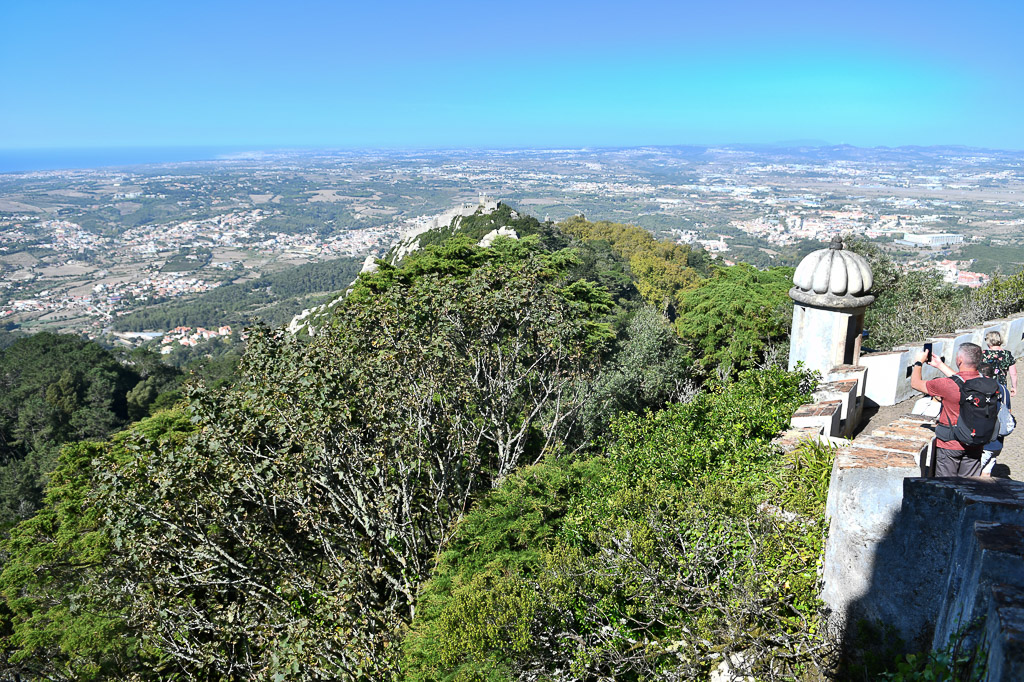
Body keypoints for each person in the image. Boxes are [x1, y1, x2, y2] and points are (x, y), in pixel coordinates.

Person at [910, 342, 990, 477]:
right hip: (975, 443)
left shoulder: (947, 385)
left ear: (959, 360)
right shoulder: (987, 382)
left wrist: (918, 362)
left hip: (949, 444)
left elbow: (915, 383)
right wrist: (940, 365)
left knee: (946, 486)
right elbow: (963, 381)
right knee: (968, 487)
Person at [978, 361, 1011, 477]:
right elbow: (1008, 413)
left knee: (972, 477)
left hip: (984, 443)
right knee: (986, 475)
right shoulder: (1004, 389)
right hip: (997, 442)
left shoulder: (980, 389)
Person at [983, 331, 1017, 398]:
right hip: (1001, 385)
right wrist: (1014, 387)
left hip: (985, 386)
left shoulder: (983, 354)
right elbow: (1013, 373)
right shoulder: (1007, 354)